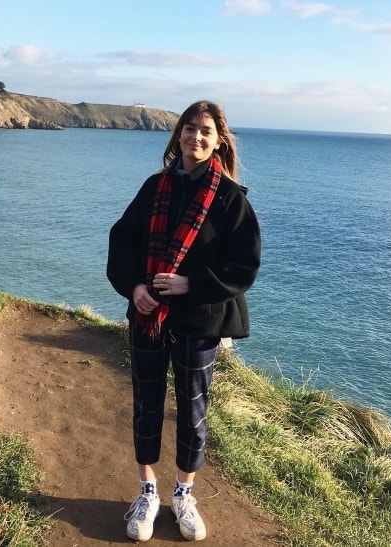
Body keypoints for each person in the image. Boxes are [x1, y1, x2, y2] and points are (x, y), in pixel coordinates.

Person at [106, 100, 261, 542]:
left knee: (193, 412)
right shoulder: (154, 186)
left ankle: (184, 494)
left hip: (201, 320)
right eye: (189, 128)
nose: (196, 136)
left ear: (219, 141)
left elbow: (244, 266)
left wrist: (191, 284)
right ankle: (148, 491)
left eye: (206, 131)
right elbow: (123, 238)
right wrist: (134, 286)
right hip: (148, 315)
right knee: (146, 403)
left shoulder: (230, 199)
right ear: (178, 135)